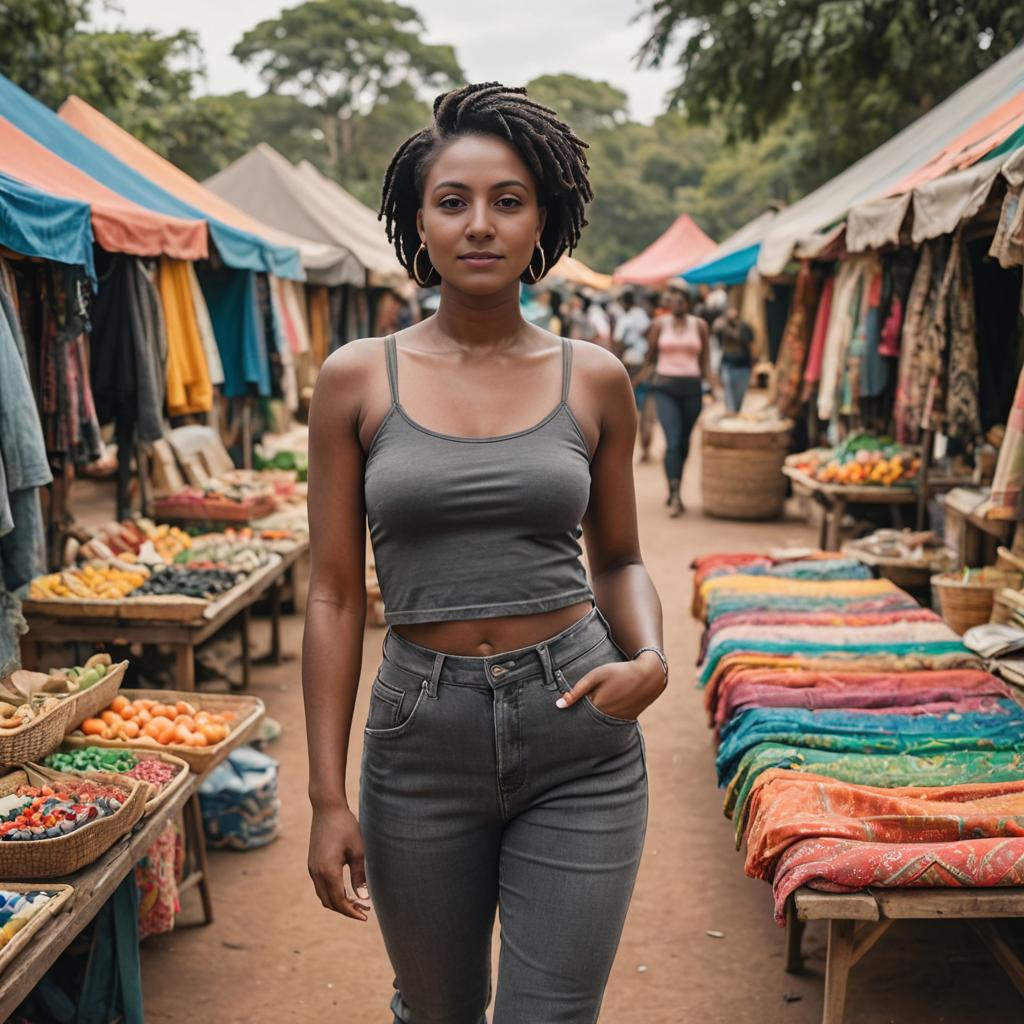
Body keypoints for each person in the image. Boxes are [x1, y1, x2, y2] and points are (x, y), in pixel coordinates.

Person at [302, 82, 666, 1024]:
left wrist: (652, 663)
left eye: (508, 200)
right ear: (417, 221)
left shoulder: (593, 377)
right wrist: (324, 798)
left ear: (543, 219)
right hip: (418, 739)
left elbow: (620, 558)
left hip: (578, 730)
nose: (479, 224)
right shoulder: (355, 378)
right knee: (439, 1011)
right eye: (452, 200)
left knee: (551, 1015)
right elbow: (335, 596)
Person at [645, 281, 717, 517]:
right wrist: (639, 377)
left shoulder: (700, 326)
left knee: (684, 443)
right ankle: (674, 494)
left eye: (681, 298)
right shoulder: (659, 325)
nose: (676, 302)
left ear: (688, 302)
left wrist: (714, 387)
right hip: (666, 388)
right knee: (673, 440)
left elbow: (705, 360)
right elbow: (650, 357)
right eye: (672, 298)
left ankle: (676, 480)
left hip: (692, 389)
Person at [612, 290, 655, 461]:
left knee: (627, 411)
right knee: (645, 409)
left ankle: (626, 451)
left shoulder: (624, 319)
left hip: (629, 368)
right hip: (644, 366)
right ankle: (645, 447)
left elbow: (618, 342)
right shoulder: (643, 316)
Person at [713, 306, 754, 413]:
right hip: (728, 365)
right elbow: (716, 337)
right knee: (729, 395)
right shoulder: (722, 327)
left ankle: (735, 413)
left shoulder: (744, 327)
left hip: (743, 366)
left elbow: (749, 343)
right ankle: (730, 414)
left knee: (739, 396)